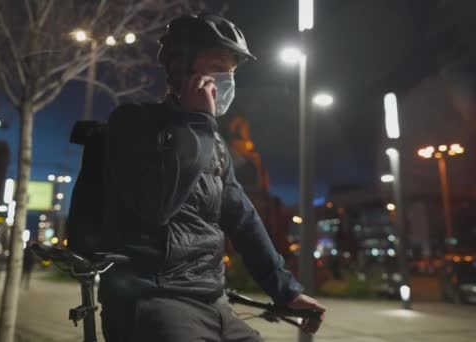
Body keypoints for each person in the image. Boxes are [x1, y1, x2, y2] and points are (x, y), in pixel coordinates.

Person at [96, 14, 325, 342]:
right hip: (153, 298)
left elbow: (244, 221)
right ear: (179, 68)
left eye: (231, 71)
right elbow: (156, 206)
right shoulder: (134, 123)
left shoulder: (213, 146)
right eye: (217, 65)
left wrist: (285, 291)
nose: (226, 79)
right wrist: (196, 123)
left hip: (213, 300)